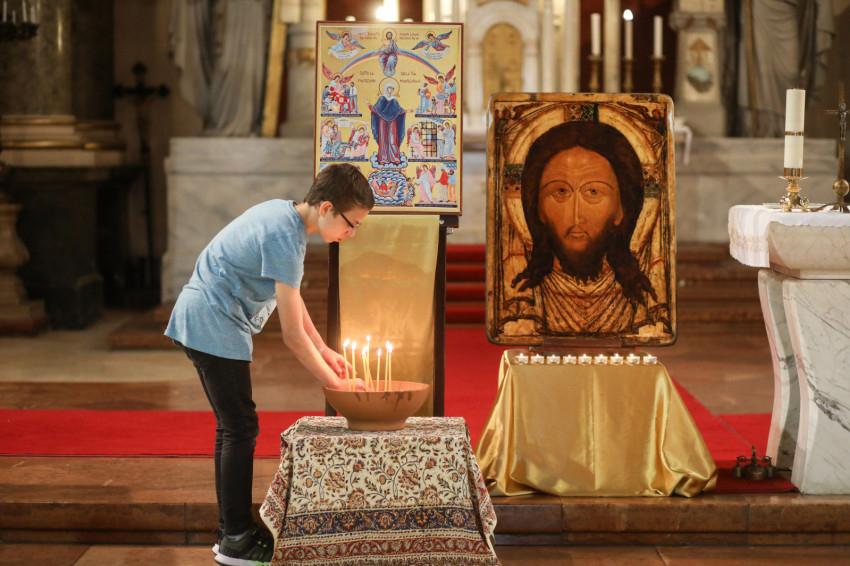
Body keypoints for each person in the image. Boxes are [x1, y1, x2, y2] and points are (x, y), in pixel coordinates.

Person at [165, 163, 374, 566]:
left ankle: (233, 530)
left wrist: (325, 350)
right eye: (352, 224)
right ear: (327, 208)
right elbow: (292, 337)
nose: (351, 234)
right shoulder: (285, 235)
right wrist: (338, 386)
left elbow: (291, 300)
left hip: (207, 318)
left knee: (233, 426)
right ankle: (236, 539)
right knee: (240, 427)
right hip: (212, 320)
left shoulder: (285, 215)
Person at [510, 120, 663, 334]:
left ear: (621, 208)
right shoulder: (523, 301)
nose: (576, 215)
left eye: (593, 192)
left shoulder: (643, 304)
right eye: (561, 192)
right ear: (538, 208)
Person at [366, 82, 411, 166]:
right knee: (383, 139)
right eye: (389, 88)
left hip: (392, 121)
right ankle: (383, 158)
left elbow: (398, 111)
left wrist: (406, 111)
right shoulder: (381, 99)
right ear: (386, 89)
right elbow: (376, 109)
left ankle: (394, 158)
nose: (391, 90)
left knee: (392, 138)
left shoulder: (394, 100)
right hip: (383, 121)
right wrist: (369, 105)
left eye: (392, 88)